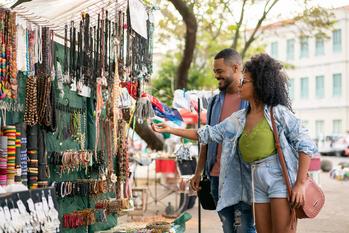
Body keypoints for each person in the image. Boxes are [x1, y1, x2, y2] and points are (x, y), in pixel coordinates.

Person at [152, 53, 317, 233]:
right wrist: (170, 128)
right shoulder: (239, 119)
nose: (240, 85)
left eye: (244, 82)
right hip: (255, 180)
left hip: (278, 178)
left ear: (258, 85)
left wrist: (300, 183)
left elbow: (306, 145)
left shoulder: (277, 113)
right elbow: (209, 133)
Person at [189, 48, 254, 233]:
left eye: (219, 71)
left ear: (235, 68)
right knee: (227, 227)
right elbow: (207, 138)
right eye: (214, 72)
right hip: (216, 177)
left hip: (242, 177)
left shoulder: (250, 100)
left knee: (245, 228)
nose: (216, 76)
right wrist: (198, 172)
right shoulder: (214, 102)